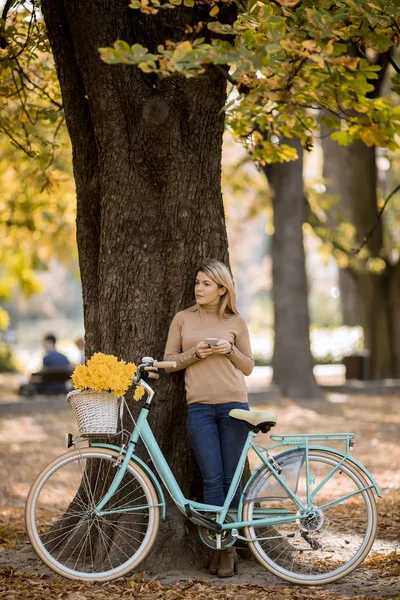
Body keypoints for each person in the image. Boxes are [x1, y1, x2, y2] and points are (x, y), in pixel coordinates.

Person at [164, 259, 254, 578]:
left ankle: (228, 549)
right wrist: (195, 355)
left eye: (205, 284)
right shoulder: (182, 319)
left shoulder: (236, 321)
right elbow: (169, 361)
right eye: (197, 283)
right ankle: (219, 546)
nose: (198, 288)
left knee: (232, 480)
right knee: (212, 479)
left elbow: (248, 367)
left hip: (234, 407)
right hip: (199, 408)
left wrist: (229, 349)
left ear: (221, 290)